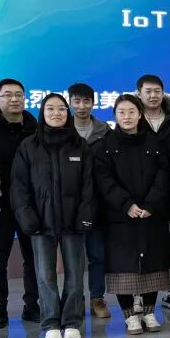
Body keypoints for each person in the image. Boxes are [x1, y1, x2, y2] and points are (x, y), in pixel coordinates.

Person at [11, 93, 96, 338]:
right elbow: (19, 186)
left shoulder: (80, 145)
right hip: (40, 221)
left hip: (73, 221)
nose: (56, 113)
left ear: (67, 113)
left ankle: (72, 320)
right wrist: (27, 218)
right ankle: (50, 321)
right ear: (42, 113)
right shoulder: (29, 146)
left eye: (61, 109)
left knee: (75, 273)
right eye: (50, 108)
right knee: (45, 274)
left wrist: (85, 216)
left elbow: (89, 186)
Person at [92, 94, 170, 335]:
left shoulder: (155, 143)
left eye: (131, 112)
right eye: (121, 112)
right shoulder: (105, 146)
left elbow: (164, 175)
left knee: (152, 265)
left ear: (140, 114)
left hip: (151, 214)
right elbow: (104, 180)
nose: (126, 117)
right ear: (115, 116)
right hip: (120, 217)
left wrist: (151, 204)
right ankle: (129, 316)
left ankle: (149, 312)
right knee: (123, 268)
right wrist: (126, 204)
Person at [0, 78, 39, 329]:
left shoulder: (36, 129)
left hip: (31, 206)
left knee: (33, 258)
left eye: (19, 95)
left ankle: (32, 306)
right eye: (8, 95)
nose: (14, 99)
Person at [135, 74, 170, 311]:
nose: (153, 95)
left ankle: (169, 292)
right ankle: (137, 294)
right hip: (141, 195)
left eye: (157, 91)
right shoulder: (133, 118)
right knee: (140, 245)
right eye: (148, 91)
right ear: (139, 94)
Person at [68, 83, 113, 319]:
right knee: (73, 258)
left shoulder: (105, 131)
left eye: (86, 101)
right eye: (77, 101)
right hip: (70, 204)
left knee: (97, 256)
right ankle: (75, 299)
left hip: (97, 204)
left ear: (93, 103)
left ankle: (97, 298)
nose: (82, 106)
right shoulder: (61, 130)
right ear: (70, 103)